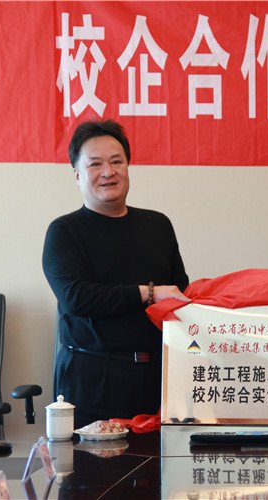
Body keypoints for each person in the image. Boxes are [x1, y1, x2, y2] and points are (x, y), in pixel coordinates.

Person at [42, 119, 190, 427]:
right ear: (77, 175)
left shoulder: (158, 225)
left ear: (128, 167)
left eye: (116, 161)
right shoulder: (65, 231)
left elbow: (180, 293)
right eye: (95, 164)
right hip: (92, 381)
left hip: (158, 378)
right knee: (90, 460)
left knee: (158, 458)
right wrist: (149, 293)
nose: (108, 172)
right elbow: (76, 298)